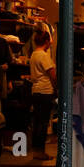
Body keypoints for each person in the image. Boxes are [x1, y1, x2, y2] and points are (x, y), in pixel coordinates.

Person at [28, 28, 57, 159]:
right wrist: (57, 89)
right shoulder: (44, 56)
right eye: (50, 39)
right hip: (45, 91)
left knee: (37, 121)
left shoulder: (34, 54)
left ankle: (36, 151)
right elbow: (52, 75)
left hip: (35, 90)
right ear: (46, 41)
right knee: (43, 122)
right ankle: (41, 152)